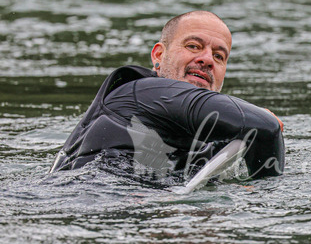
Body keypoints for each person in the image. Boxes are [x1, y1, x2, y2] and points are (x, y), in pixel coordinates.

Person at [49, 11, 284, 183]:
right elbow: (265, 127)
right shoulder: (141, 93)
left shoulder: (210, 137)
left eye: (219, 56)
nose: (207, 59)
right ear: (159, 55)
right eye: (193, 46)